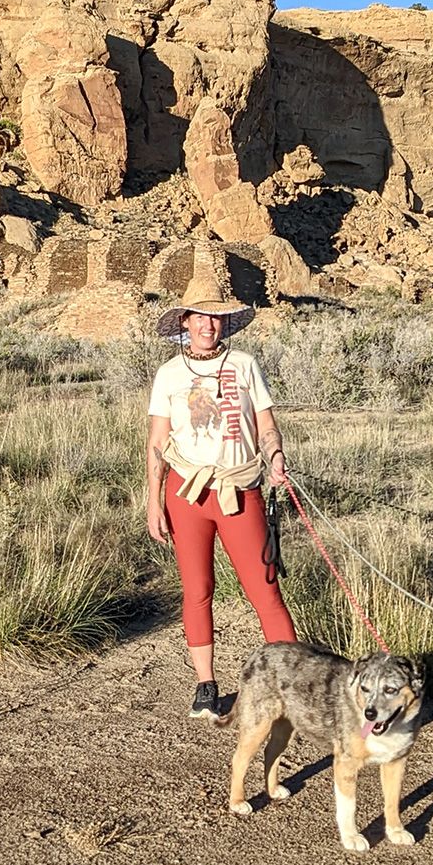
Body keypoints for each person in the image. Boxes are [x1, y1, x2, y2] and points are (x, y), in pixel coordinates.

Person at [146, 274, 296, 719]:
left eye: (216, 317)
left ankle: (289, 683)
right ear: (186, 322)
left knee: (264, 589)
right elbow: (157, 440)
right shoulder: (169, 374)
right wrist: (153, 499)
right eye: (200, 317)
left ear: (223, 323)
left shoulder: (245, 365)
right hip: (186, 492)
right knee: (197, 590)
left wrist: (275, 456)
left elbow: (266, 424)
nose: (208, 325)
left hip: (239, 486)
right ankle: (205, 685)